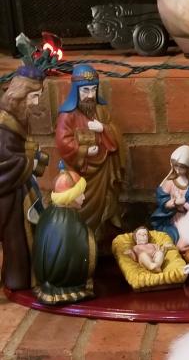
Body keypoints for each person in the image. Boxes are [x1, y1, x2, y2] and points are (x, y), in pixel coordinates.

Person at [55, 64, 124, 239]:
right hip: (82, 172)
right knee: (81, 204)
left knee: (105, 204)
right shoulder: (67, 115)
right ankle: (82, 237)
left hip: (103, 170)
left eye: (94, 89)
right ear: (76, 90)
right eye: (85, 90)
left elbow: (116, 134)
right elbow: (63, 142)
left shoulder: (100, 110)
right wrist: (84, 151)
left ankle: (101, 233)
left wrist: (103, 128)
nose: (90, 95)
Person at [0, 63, 49, 290]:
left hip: (19, 188)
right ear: (20, 95)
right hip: (7, 193)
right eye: (34, 96)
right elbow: (7, 162)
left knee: (22, 235)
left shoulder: (17, 118)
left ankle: (20, 276)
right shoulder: (4, 126)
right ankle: (16, 279)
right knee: (15, 237)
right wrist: (32, 161)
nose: (36, 102)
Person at [32, 162, 96, 304]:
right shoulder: (70, 219)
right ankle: (67, 287)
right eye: (80, 194)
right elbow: (79, 249)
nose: (84, 197)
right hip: (66, 278)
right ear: (70, 196)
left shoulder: (49, 213)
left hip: (44, 278)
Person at [150, 145, 189, 247]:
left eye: (181, 167)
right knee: (170, 238)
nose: (177, 170)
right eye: (175, 166)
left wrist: (185, 203)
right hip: (173, 219)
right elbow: (162, 200)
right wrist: (174, 203)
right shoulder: (171, 182)